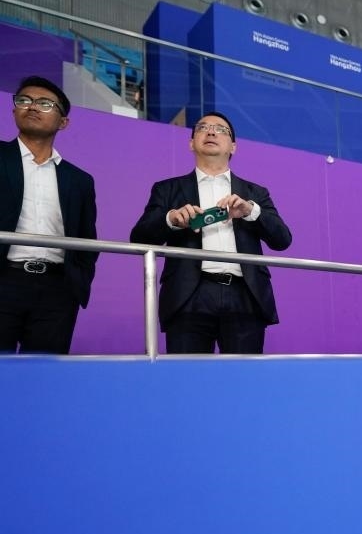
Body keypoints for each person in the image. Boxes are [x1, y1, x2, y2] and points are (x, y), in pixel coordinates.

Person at [130, 111, 292, 354]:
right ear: (191, 143)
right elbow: (139, 237)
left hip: (245, 295)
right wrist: (172, 219)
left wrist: (250, 211)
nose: (212, 132)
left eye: (221, 130)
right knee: (189, 374)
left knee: (243, 375)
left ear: (233, 147)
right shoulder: (167, 189)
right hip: (188, 295)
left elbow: (282, 240)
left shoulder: (255, 193)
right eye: (203, 128)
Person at [0, 76, 98, 354]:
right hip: (4, 278)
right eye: (24, 100)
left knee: (46, 373)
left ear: (63, 122)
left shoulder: (79, 180)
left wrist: (76, 284)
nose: (32, 107)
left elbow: (87, 241)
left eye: (45, 104)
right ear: (14, 110)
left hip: (57, 289)